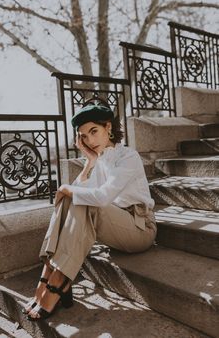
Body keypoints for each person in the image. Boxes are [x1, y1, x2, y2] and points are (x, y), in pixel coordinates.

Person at [23, 97, 157, 320]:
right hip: (116, 224)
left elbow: (101, 197)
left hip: (140, 227)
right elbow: (72, 199)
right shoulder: (100, 159)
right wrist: (89, 162)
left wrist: (67, 188)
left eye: (94, 131)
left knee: (79, 197)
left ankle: (57, 281)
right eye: (84, 135)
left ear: (108, 127)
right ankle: (48, 275)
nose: (90, 139)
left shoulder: (128, 156)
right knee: (73, 198)